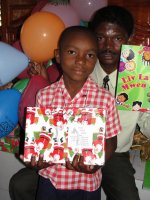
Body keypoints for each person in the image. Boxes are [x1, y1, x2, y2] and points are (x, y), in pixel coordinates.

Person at [20, 25, 121, 200]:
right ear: (58, 55)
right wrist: (35, 160)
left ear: (96, 59)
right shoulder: (44, 95)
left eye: (90, 55)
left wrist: (98, 162)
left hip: (86, 184)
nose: (81, 60)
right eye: (72, 52)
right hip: (50, 180)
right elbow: (38, 139)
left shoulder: (106, 99)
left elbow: (111, 140)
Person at [89, 5, 150, 200]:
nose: (107, 46)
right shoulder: (82, 66)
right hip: (77, 146)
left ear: (129, 37)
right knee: (22, 185)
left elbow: (147, 123)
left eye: (117, 38)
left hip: (115, 154)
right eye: (100, 38)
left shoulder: (138, 74)